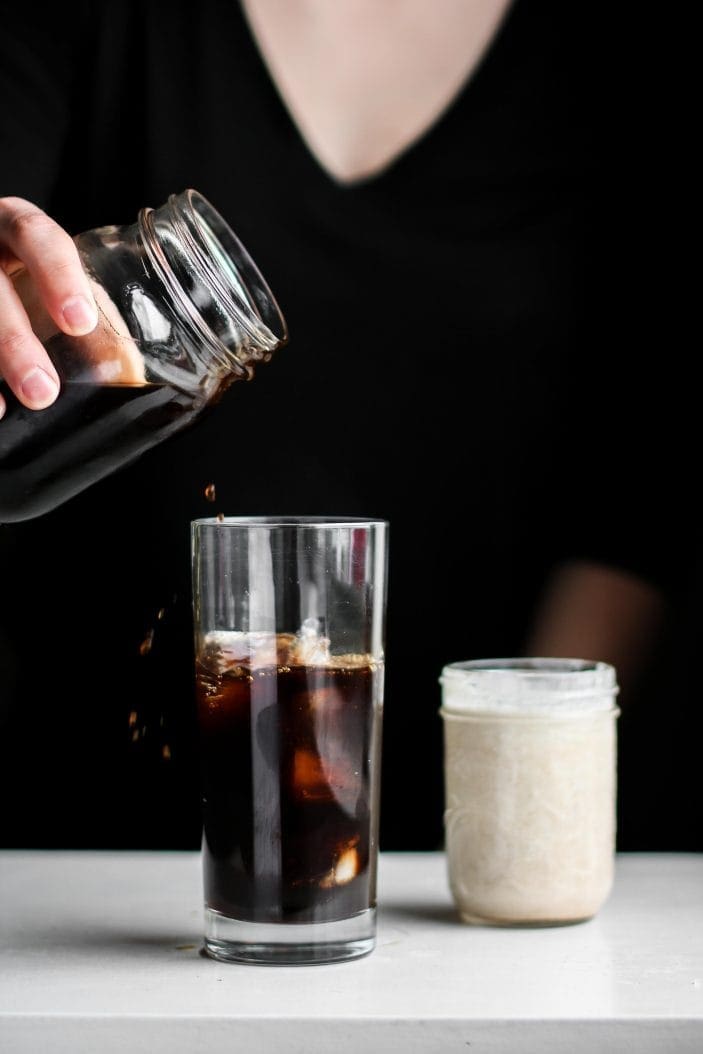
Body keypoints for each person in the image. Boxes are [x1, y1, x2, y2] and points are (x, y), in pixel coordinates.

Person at [0, 1, 692, 851]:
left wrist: (510, 820)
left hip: (472, 852)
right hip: (77, 847)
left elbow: (641, 483)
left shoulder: (629, 57)